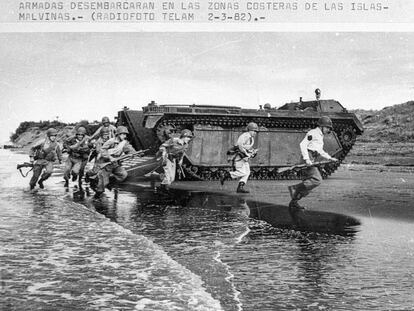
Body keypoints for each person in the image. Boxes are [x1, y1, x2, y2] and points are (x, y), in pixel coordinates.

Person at [287, 116, 339, 209]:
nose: (328, 130)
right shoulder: (313, 133)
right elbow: (302, 144)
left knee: (307, 185)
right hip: (307, 157)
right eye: (327, 128)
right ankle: (294, 188)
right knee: (316, 180)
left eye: (329, 128)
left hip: (312, 158)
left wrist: (330, 158)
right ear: (321, 126)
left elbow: (320, 150)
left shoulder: (320, 136)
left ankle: (293, 203)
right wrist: (307, 159)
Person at [94, 126, 136, 197]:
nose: (124, 136)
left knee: (123, 175)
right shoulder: (111, 141)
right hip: (106, 164)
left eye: (125, 134)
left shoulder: (124, 143)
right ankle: (96, 197)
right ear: (118, 134)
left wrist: (134, 153)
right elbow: (102, 150)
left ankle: (110, 182)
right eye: (123, 134)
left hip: (116, 164)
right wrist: (110, 158)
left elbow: (129, 149)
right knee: (102, 186)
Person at [221, 122, 259, 193]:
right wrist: (246, 154)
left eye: (256, 131)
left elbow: (246, 147)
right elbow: (239, 146)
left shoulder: (251, 138)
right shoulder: (245, 136)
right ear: (249, 130)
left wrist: (252, 151)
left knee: (247, 172)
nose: (255, 133)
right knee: (242, 172)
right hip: (239, 157)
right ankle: (226, 175)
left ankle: (240, 187)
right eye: (254, 131)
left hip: (244, 158)